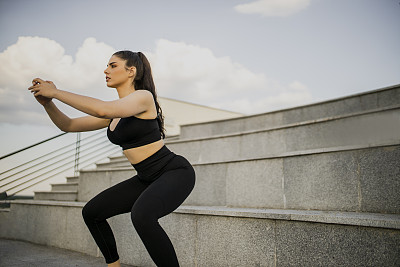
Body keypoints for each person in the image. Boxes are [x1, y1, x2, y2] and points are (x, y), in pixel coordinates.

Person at [28, 51, 196, 267]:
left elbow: (101, 108)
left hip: (173, 172)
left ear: (131, 71)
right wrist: (48, 103)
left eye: (113, 65)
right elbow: (68, 125)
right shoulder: (115, 114)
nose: (106, 70)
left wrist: (56, 92)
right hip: (146, 177)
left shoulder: (143, 97)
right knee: (92, 213)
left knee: (142, 215)